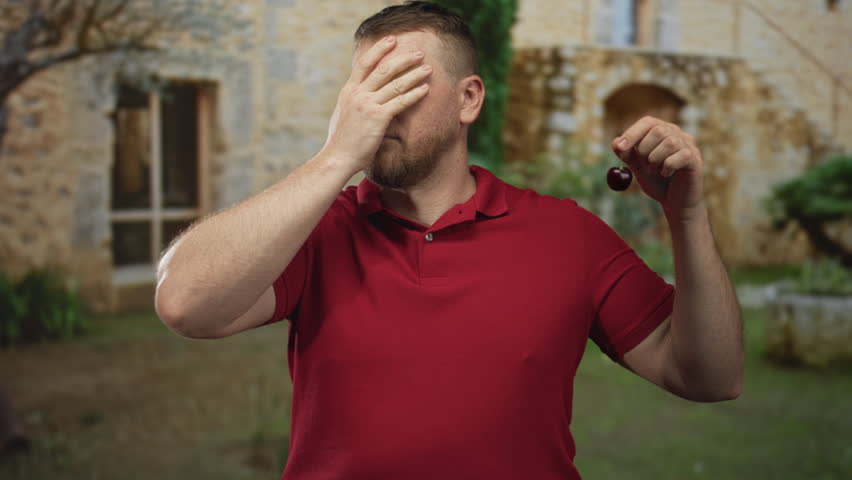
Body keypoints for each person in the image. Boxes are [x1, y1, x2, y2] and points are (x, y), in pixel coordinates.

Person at [155, 2, 743, 478]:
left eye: (403, 84)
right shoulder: (317, 233)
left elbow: (709, 377)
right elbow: (186, 305)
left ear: (469, 99)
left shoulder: (567, 234)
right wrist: (336, 155)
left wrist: (688, 217)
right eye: (366, 88)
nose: (378, 109)